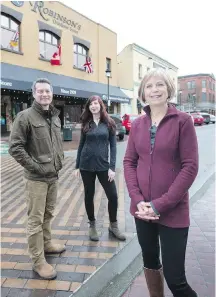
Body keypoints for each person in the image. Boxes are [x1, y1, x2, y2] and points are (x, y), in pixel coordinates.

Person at [123, 68, 198, 297]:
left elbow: (190, 167)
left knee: (176, 280)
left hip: (173, 210)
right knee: (150, 263)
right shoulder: (137, 125)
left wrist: (160, 205)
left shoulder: (183, 121)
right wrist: (138, 201)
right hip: (143, 211)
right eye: (149, 86)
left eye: (160, 85)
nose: (154, 90)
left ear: (169, 90)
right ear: (142, 93)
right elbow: (129, 162)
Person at [9, 78, 65, 280]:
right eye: (40, 91)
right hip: (36, 179)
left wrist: (59, 162)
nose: (44, 94)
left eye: (47, 91)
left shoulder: (55, 117)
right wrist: (37, 167)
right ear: (33, 94)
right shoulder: (25, 117)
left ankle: (47, 243)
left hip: (53, 176)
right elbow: (15, 148)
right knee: (35, 219)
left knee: (48, 214)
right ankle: (38, 260)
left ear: (52, 93)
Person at [74, 95, 126, 242]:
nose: (93, 106)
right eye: (91, 104)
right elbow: (81, 145)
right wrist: (77, 166)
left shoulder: (108, 123)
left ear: (100, 105)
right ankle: (92, 225)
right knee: (89, 195)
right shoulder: (86, 123)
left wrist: (112, 167)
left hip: (104, 166)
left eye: (96, 103)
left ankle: (113, 226)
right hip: (86, 165)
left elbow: (113, 146)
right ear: (88, 107)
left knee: (113, 196)